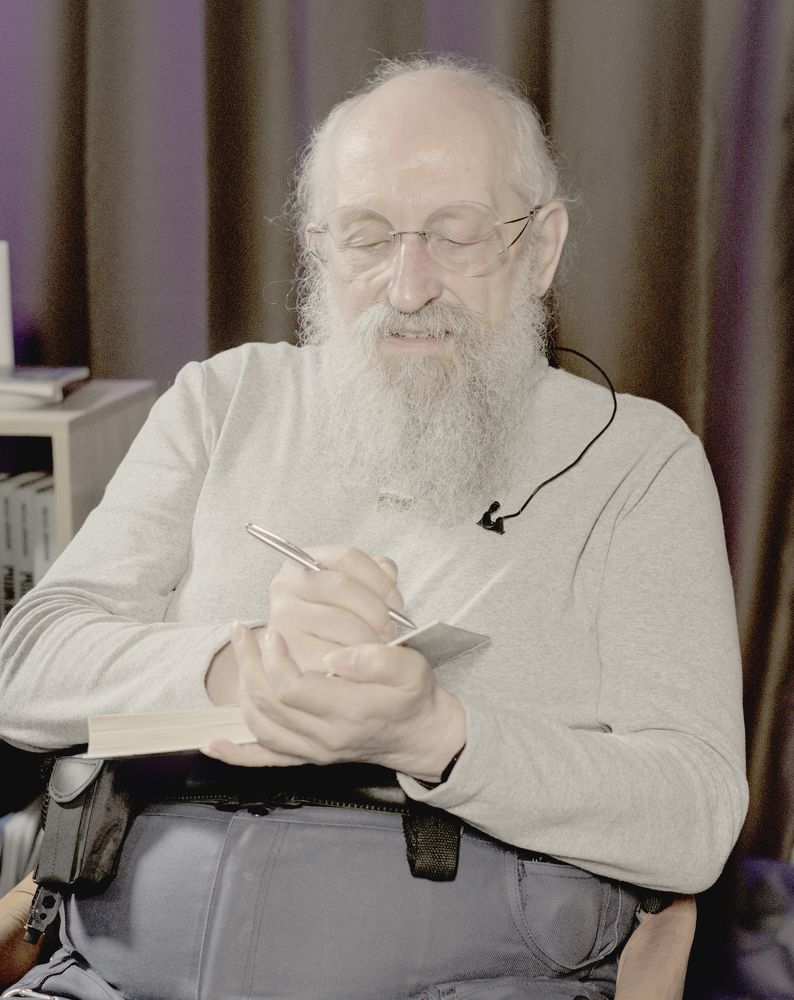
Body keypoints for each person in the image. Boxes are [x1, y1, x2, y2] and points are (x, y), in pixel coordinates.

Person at [0, 57, 747, 1000]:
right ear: (320, 250)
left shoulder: (638, 461)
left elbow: (694, 813)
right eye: (366, 238)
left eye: (456, 235)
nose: (408, 284)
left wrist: (438, 735)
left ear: (539, 248)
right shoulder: (224, 399)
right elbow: (26, 667)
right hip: (117, 971)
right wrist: (237, 670)